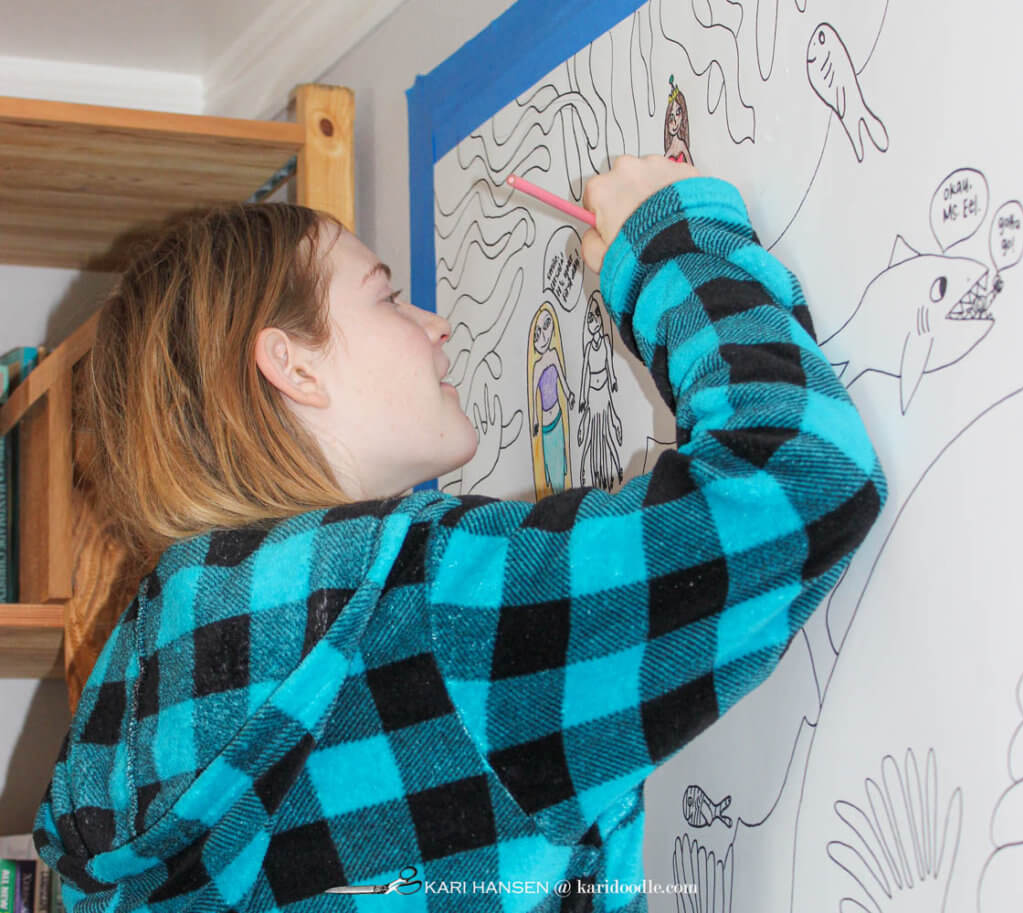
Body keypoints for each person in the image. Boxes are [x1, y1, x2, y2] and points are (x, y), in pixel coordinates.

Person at [35, 155, 887, 912]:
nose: (435, 325)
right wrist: (667, 242)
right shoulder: (430, 607)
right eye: (389, 296)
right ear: (292, 364)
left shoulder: (124, 701)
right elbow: (806, 472)